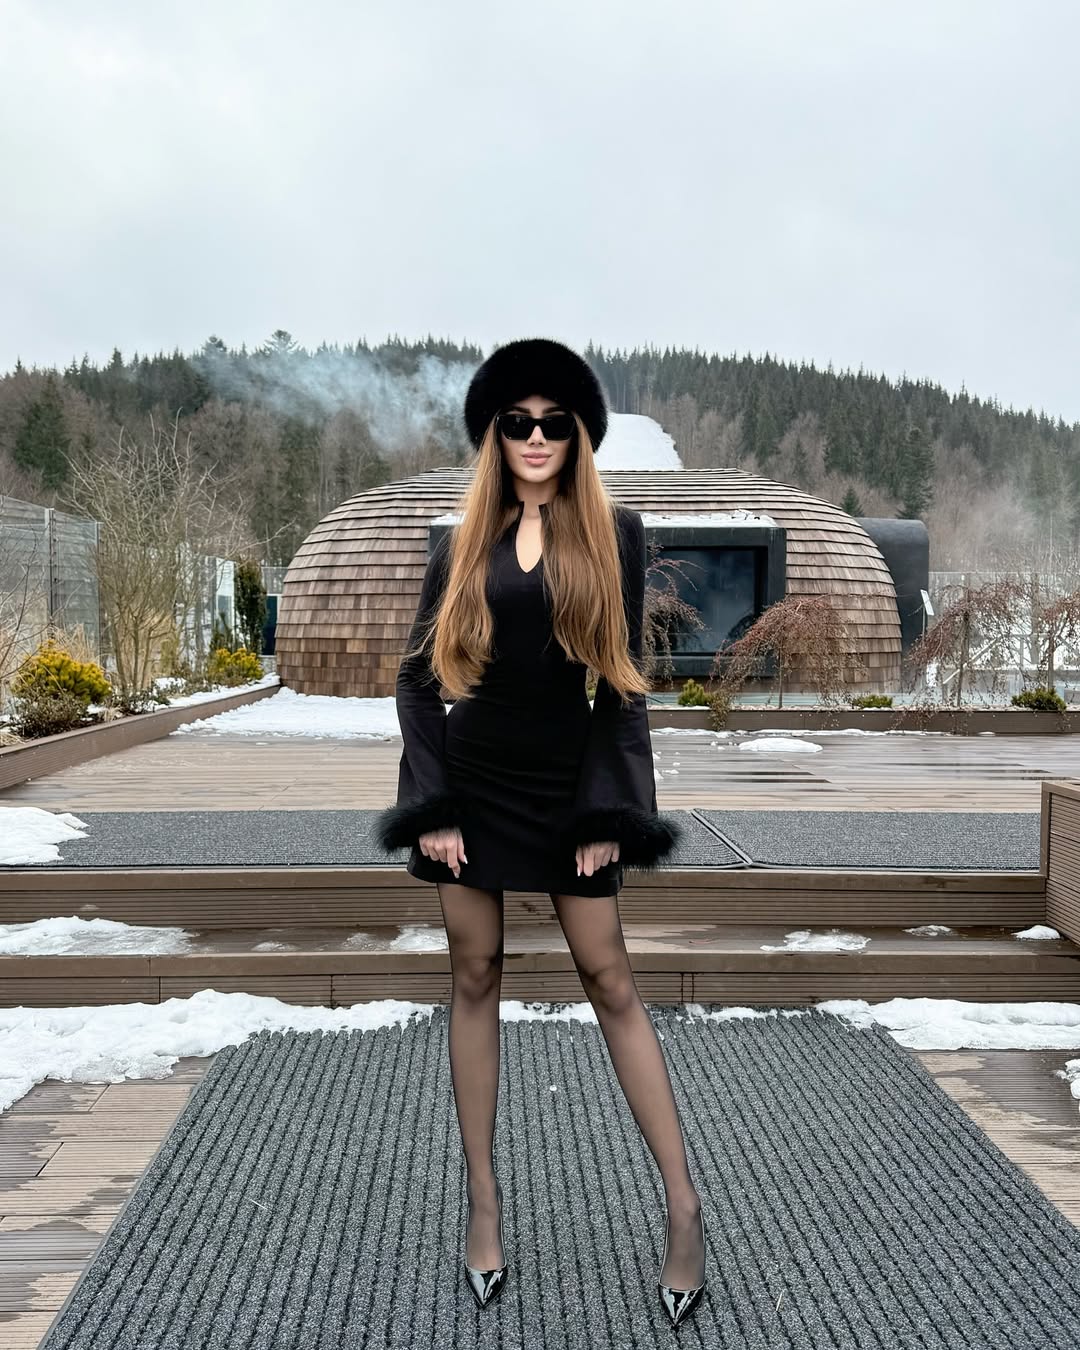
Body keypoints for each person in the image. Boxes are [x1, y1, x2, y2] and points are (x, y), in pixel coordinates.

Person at [376, 337, 706, 1327]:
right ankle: (483, 1204)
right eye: (516, 422)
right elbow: (417, 681)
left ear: (577, 435)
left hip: (569, 785)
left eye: (553, 423)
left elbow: (622, 689)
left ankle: (684, 1208)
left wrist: (612, 809)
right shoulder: (459, 544)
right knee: (474, 976)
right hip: (473, 783)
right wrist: (432, 807)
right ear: (495, 434)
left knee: (611, 979)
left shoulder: (614, 532)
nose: (534, 437)